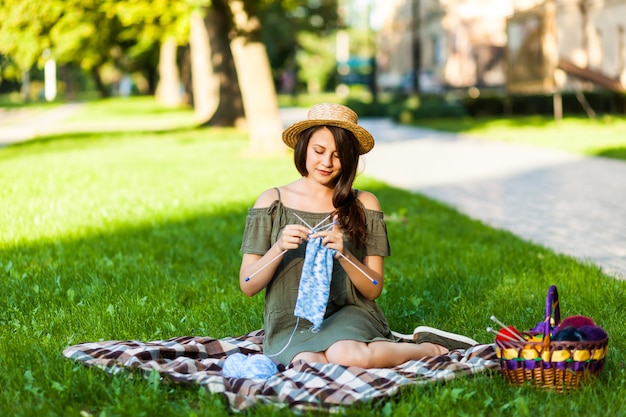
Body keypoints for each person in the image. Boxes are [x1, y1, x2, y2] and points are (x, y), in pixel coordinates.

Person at [239, 103, 477, 368]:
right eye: (318, 151)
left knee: (347, 356)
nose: (326, 162)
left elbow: (373, 289)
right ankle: (384, 347)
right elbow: (248, 284)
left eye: (338, 155)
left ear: (350, 159)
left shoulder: (365, 204)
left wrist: (344, 254)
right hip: (291, 325)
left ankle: (430, 349)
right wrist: (278, 248)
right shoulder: (272, 202)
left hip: (349, 313)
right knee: (309, 367)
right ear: (303, 147)